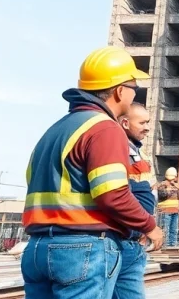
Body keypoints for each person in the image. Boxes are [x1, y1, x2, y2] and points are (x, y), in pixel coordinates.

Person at [21, 46, 163, 299]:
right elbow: (112, 194)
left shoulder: (56, 129)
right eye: (134, 87)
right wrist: (149, 226)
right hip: (80, 248)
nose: (134, 93)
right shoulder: (105, 128)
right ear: (120, 90)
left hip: (37, 247)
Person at [114, 102, 155, 299]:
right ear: (125, 123)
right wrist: (142, 227)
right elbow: (119, 195)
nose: (147, 128)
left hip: (133, 238)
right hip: (123, 240)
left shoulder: (138, 153)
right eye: (142, 123)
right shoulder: (117, 150)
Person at [156, 168, 179, 247]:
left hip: (175, 211)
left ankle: (173, 245)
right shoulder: (162, 185)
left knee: (174, 230)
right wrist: (167, 187)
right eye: (176, 176)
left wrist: (177, 187)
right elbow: (163, 195)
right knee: (165, 229)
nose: (176, 178)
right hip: (165, 211)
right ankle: (164, 245)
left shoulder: (176, 186)